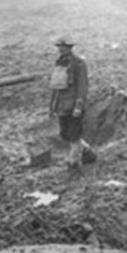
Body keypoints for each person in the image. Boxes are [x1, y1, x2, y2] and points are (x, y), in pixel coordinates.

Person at [48, 35, 89, 169]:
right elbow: (55, 87)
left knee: (74, 134)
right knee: (65, 133)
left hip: (73, 105)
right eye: (59, 47)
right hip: (62, 105)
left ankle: (74, 161)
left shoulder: (78, 63)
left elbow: (83, 86)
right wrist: (53, 106)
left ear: (70, 48)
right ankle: (88, 151)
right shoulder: (59, 63)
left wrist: (79, 106)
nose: (61, 49)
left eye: (63, 47)